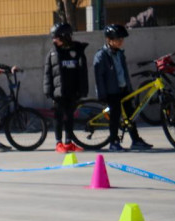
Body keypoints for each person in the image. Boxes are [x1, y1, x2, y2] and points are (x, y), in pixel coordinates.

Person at [92, 24, 152, 151]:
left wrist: (128, 87)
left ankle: (135, 140)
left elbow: (124, 72)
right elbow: (99, 78)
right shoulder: (101, 56)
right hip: (111, 92)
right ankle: (113, 142)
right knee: (115, 116)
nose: (121, 42)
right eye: (117, 39)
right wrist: (102, 95)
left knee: (130, 115)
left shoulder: (120, 54)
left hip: (123, 89)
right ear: (109, 40)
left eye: (121, 39)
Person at [42, 22, 89, 153]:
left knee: (70, 116)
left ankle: (68, 142)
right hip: (58, 92)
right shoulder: (53, 53)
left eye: (56, 37)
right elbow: (47, 73)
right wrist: (48, 90)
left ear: (64, 36)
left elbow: (83, 72)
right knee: (58, 116)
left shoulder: (77, 51)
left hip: (72, 91)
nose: (53, 40)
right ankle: (58, 143)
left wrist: (83, 89)